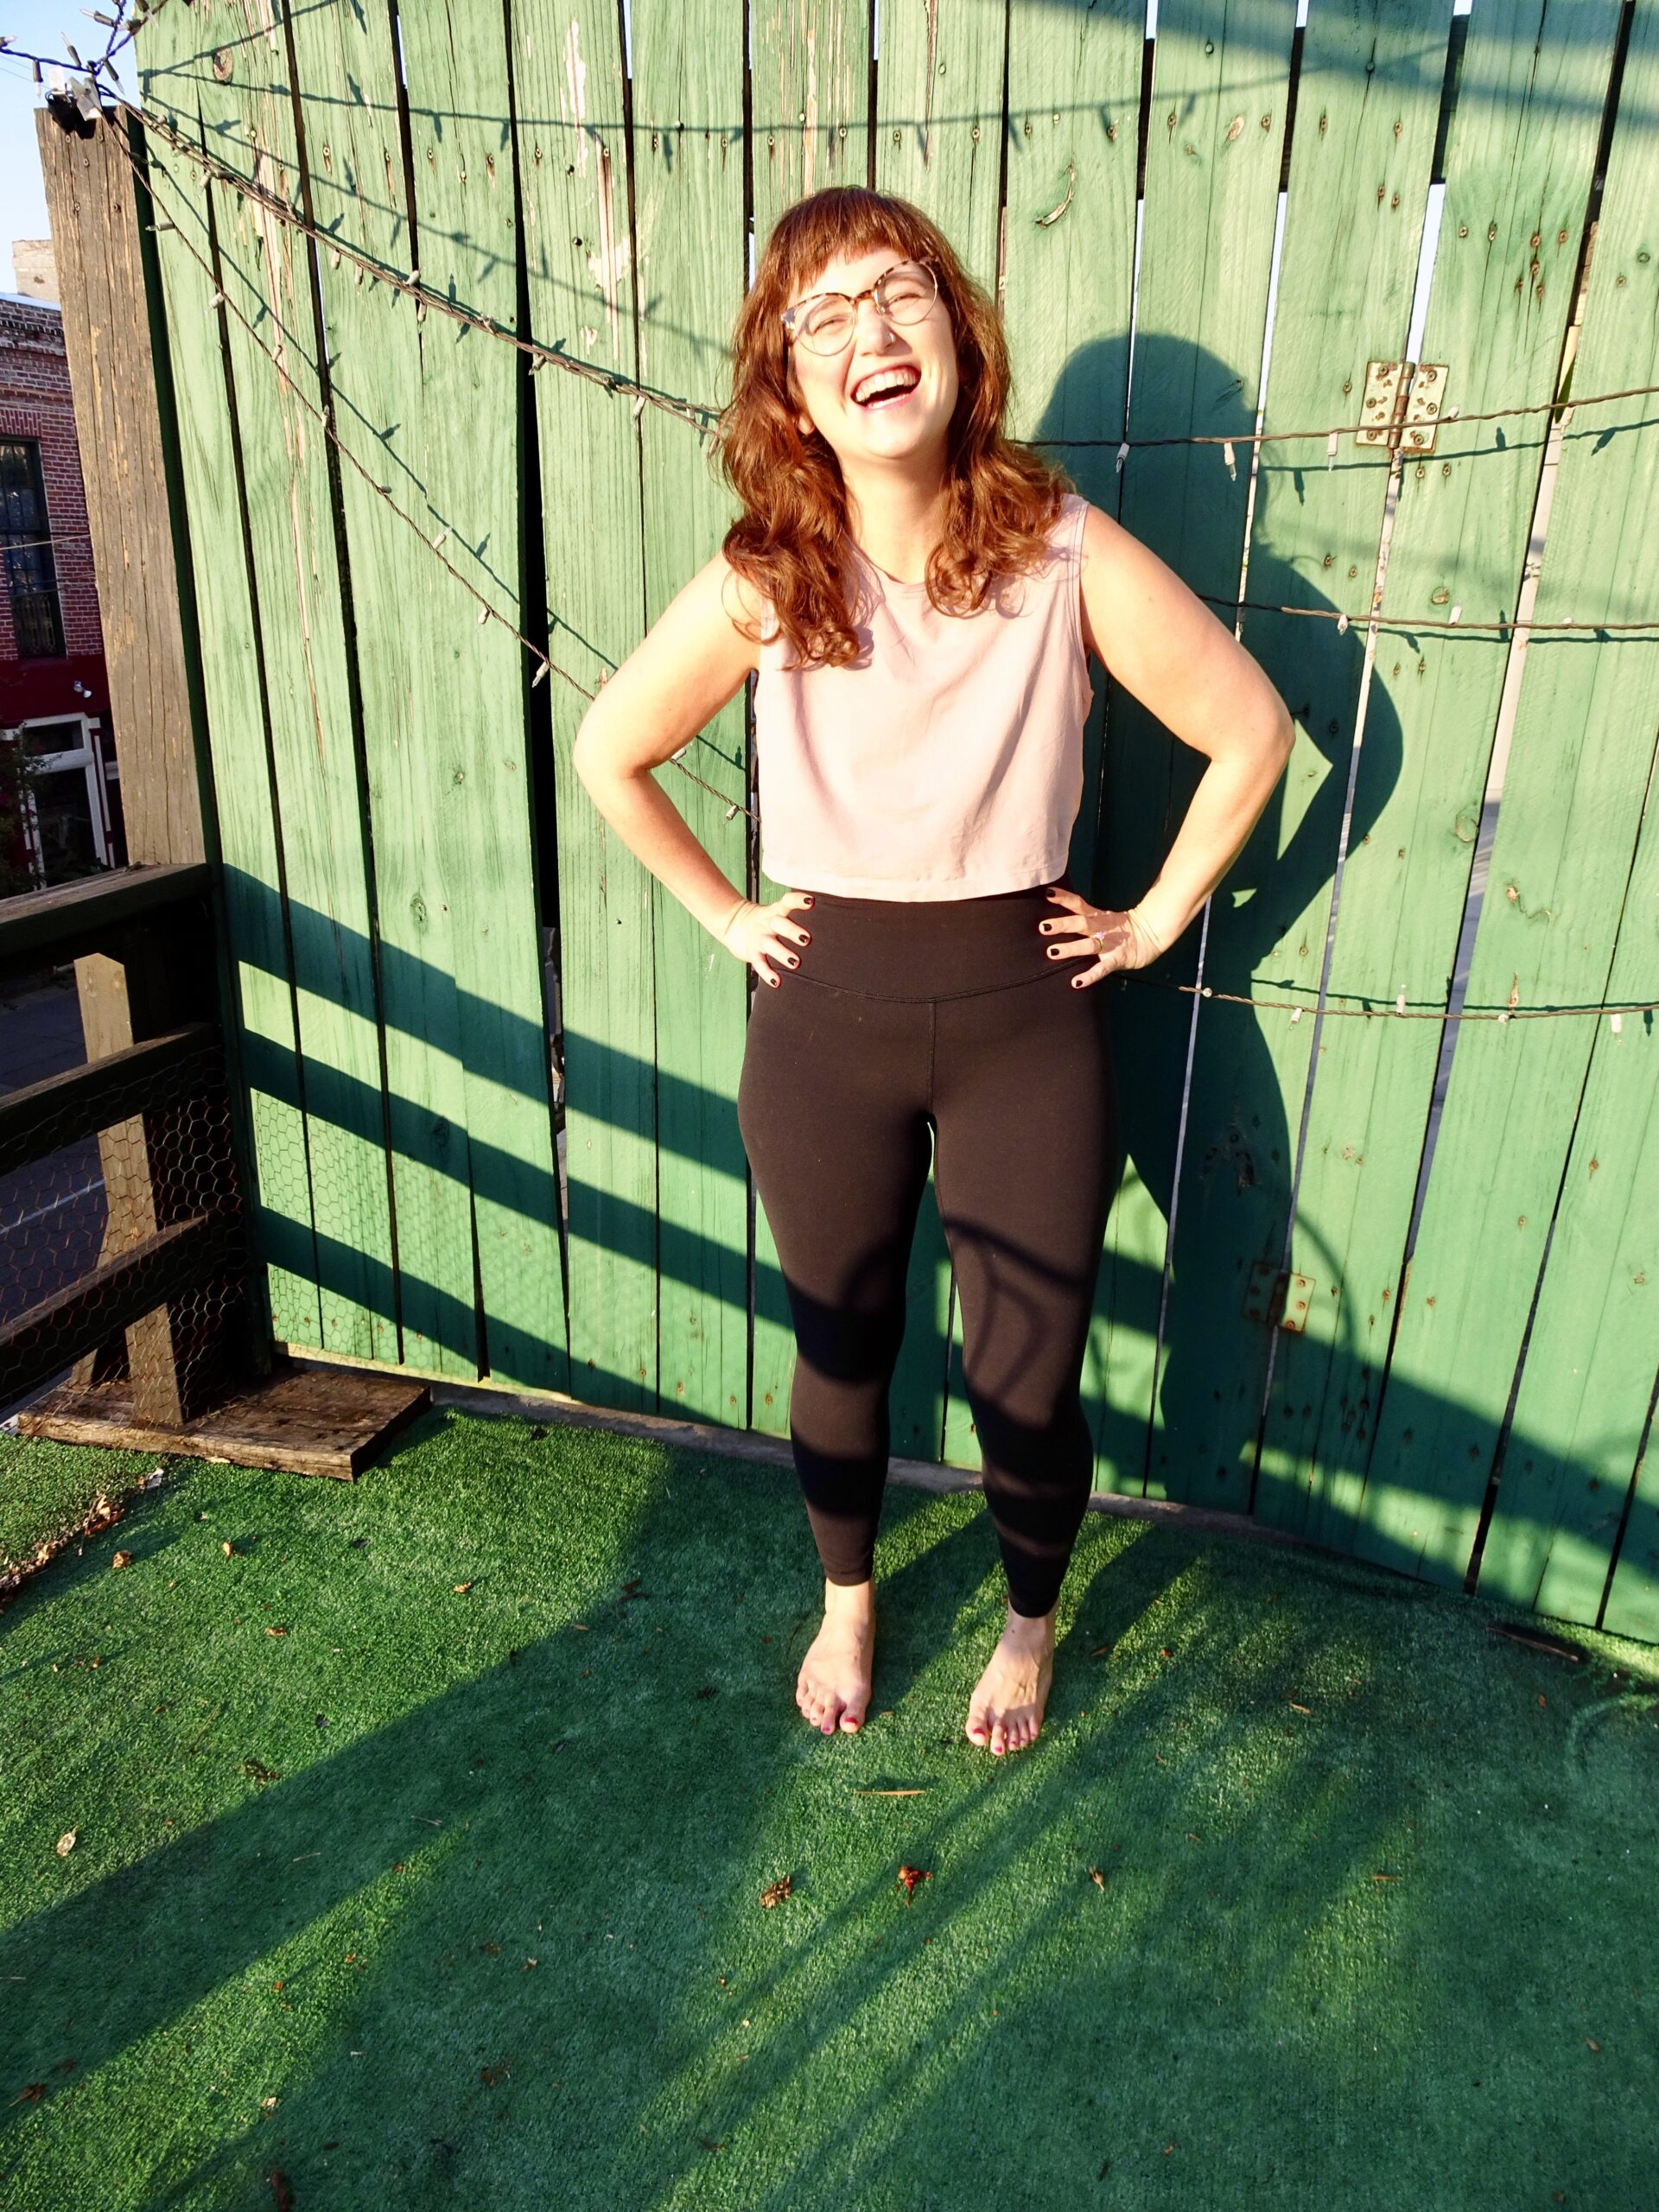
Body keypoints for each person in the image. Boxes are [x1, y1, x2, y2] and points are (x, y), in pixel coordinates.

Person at [573, 187, 1293, 1756]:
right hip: (821, 1025)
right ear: (791, 386)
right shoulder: (768, 574)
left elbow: (1253, 730)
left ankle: (1030, 1624)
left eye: (899, 294)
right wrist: (726, 916)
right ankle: (847, 1597)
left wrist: (1153, 919)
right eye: (824, 316)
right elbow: (609, 751)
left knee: (1026, 1383)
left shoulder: (1063, 551)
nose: (871, 334)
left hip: (1028, 1022)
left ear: (957, 336)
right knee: (840, 1353)